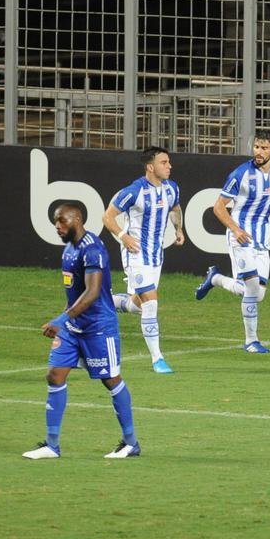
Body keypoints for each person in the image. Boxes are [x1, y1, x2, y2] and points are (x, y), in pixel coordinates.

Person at [24, 201, 140, 459]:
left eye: (62, 221)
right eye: (55, 221)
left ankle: (131, 442)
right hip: (73, 328)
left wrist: (60, 320)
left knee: (110, 379)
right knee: (55, 375)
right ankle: (52, 445)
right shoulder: (68, 250)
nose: (57, 226)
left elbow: (92, 293)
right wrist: (66, 322)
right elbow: (74, 294)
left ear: (77, 220)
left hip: (99, 327)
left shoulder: (93, 250)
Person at [195, 129, 270, 353]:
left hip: (262, 237)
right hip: (241, 235)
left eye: (264, 148)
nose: (259, 151)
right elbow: (218, 207)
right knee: (252, 287)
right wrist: (235, 230)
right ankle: (251, 341)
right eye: (256, 147)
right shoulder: (240, 174)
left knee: (258, 294)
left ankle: (215, 278)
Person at [101, 147, 184, 374]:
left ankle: (108, 300)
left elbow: (175, 208)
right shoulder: (134, 190)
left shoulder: (171, 188)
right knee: (151, 303)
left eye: (169, 162)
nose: (169, 166)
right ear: (150, 167)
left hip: (156, 256)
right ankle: (157, 359)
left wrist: (179, 229)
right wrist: (122, 236)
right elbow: (107, 216)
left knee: (137, 305)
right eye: (164, 162)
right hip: (135, 253)